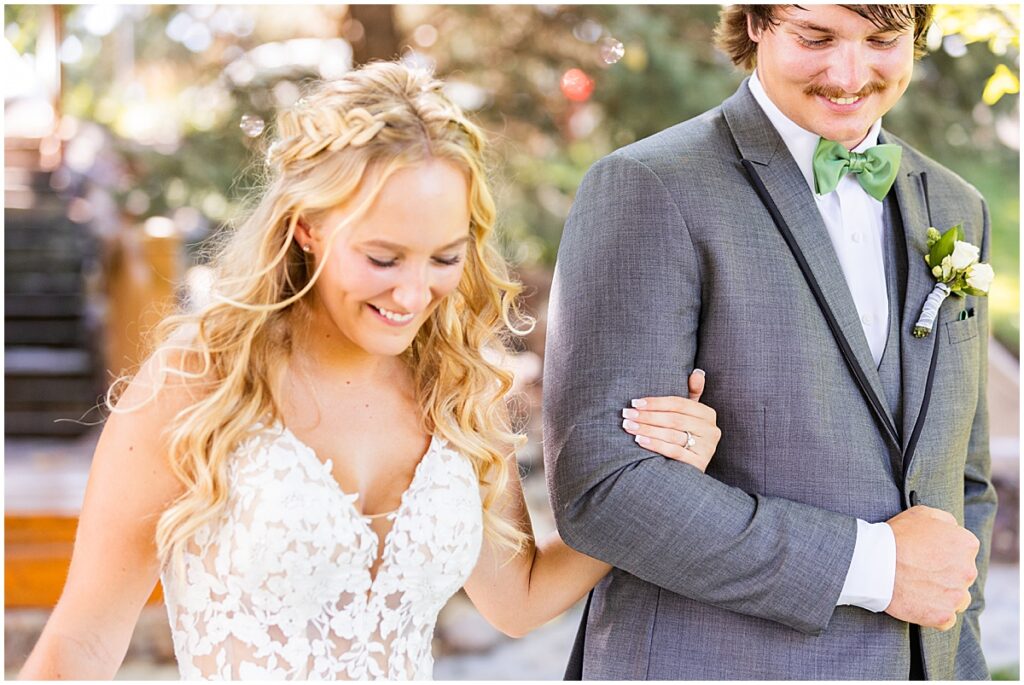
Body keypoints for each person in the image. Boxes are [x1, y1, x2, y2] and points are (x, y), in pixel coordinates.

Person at [18, 61, 721, 680]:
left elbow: (519, 598)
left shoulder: (457, 388)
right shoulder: (200, 384)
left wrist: (657, 479)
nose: (413, 294)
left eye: (444, 258)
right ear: (306, 226)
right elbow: (77, 646)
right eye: (383, 258)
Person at [544, 4, 995, 680]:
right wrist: (875, 566)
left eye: (882, 40)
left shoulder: (956, 206)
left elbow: (964, 478)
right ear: (756, 22)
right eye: (816, 38)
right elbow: (604, 491)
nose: (850, 74)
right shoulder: (651, 185)